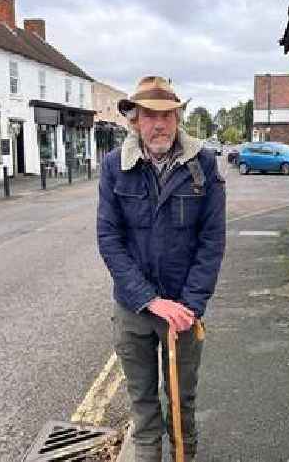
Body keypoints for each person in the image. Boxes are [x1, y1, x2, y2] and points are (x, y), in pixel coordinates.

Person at [97, 76, 226, 462]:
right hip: (134, 310)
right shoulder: (114, 167)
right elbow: (109, 240)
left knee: (181, 407)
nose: (160, 124)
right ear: (135, 120)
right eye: (150, 115)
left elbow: (212, 241)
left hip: (183, 313)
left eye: (168, 114)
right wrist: (150, 300)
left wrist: (189, 306)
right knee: (144, 411)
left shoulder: (203, 165)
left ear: (177, 117)